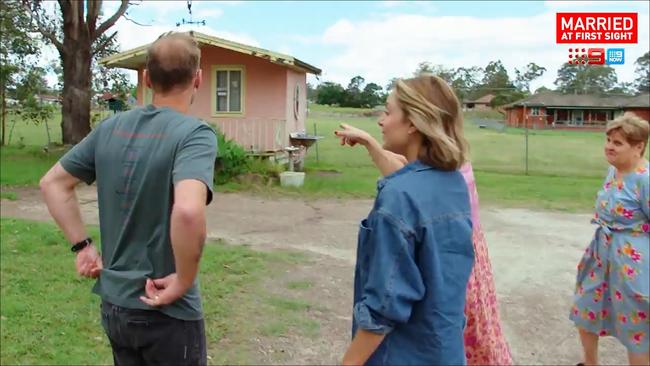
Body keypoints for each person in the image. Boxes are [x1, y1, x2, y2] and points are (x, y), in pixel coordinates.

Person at [39, 32, 217, 365]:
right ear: (198, 79)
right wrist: (184, 280)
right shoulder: (195, 135)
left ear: (147, 77)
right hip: (167, 310)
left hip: (116, 307)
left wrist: (83, 248)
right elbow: (190, 211)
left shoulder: (109, 129)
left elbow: (53, 183)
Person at [335, 93, 512, 366]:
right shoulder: (453, 183)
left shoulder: (399, 197)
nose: (381, 121)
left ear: (413, 123)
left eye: (388, 112)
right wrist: (371, 143)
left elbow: (384, 305)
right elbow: (406, 177)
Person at [570, 114, 649, 366]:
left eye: (617, 142)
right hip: (600, 253)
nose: (609, 146)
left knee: (635, 325)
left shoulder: (644, 180)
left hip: (632, 263)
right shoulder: (613, 171)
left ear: (638, 147)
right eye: (608, 140)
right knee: (585, 308)